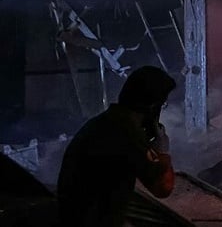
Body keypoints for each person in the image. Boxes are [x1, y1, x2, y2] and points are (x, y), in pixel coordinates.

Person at [57, 65, 176, 227]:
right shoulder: (126, 134)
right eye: (161, 105)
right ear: (152, 106)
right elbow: (163, 188)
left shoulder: (108, 122)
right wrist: (162, 151)